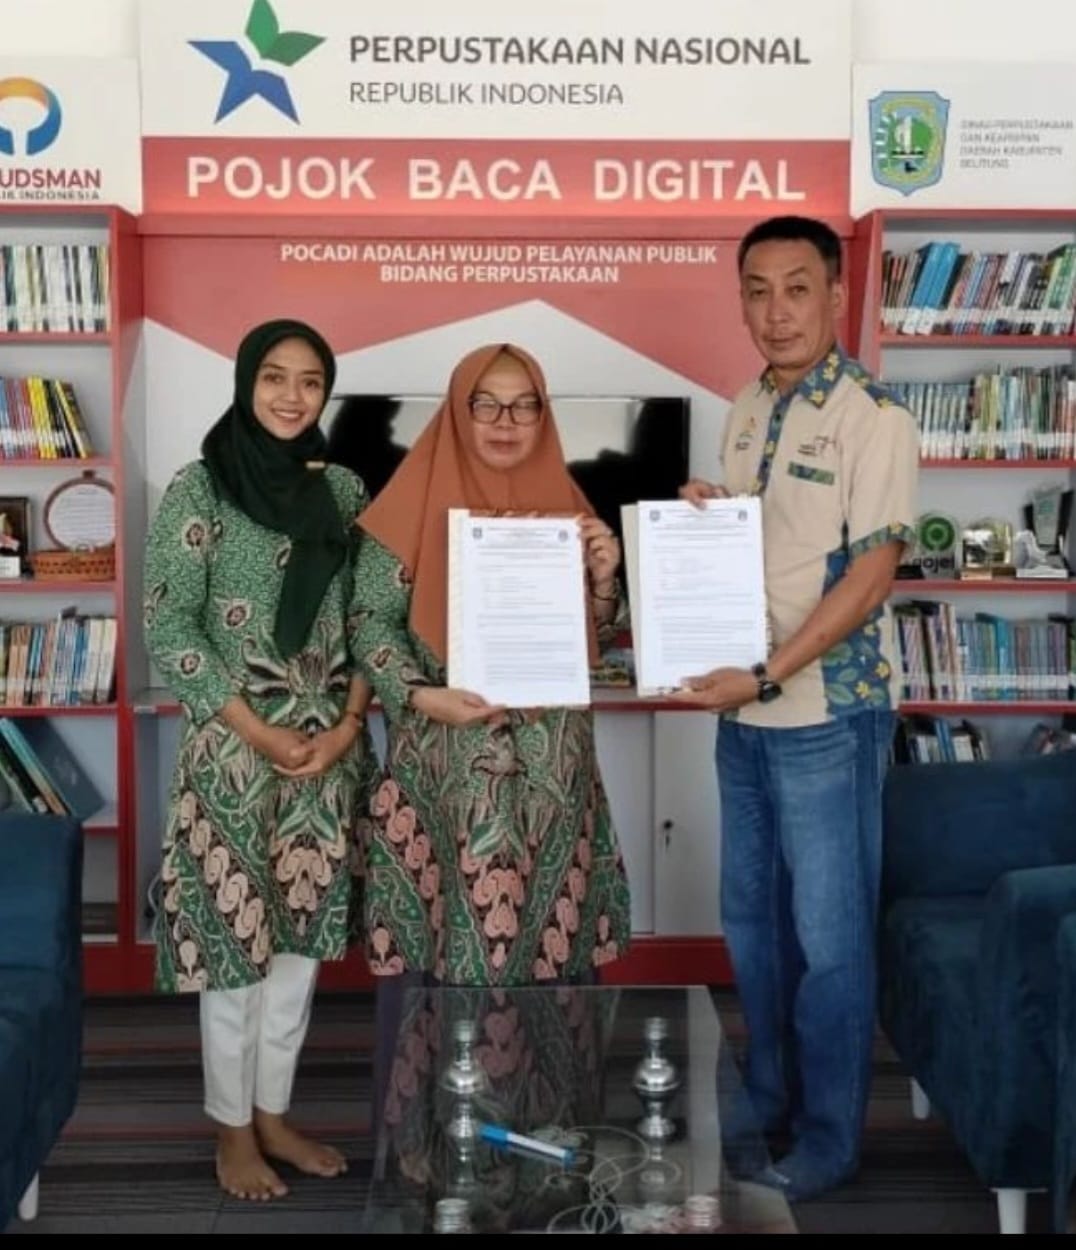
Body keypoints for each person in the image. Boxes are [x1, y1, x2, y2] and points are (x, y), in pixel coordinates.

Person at [677, 215, 919, 1200]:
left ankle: (828, 1135)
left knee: (829, 941)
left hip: (825, 717)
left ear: (834, 293)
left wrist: (769, 674)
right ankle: (770, 1097)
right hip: (745, 716)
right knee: (753, 927)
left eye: (796, 288)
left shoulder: (873, 416)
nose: (775, 311)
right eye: (756, 290)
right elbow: (762, 548)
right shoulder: (745, 407)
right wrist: (705, 515)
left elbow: (868, 576)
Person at [143, 319, 380, 1202]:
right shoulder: (199, 488)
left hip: (325, 757)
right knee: (232, 947)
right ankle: (231, 1128)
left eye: (310, 381)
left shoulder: (345, 490)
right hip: (234, 758)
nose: (291, 396)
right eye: (274, 376)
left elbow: (371, 618)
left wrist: (347, 728)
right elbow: (170, 626)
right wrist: (260, 732)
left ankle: (274, 1113)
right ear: (247, 382)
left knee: (299, 949)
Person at [352, 342, 632, 988]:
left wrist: (603, 582)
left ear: (543, 416)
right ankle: (439, 1062)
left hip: (552, 778)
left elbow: (594, 637)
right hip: (444, 772)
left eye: (524, 406)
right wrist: (422, 695)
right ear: (459, 409)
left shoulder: (569, 506)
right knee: (441, 965)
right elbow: (368, 623)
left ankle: (551, 1062)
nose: (506, 422)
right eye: (487, 404)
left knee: (553, 964)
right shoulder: (405, 508)